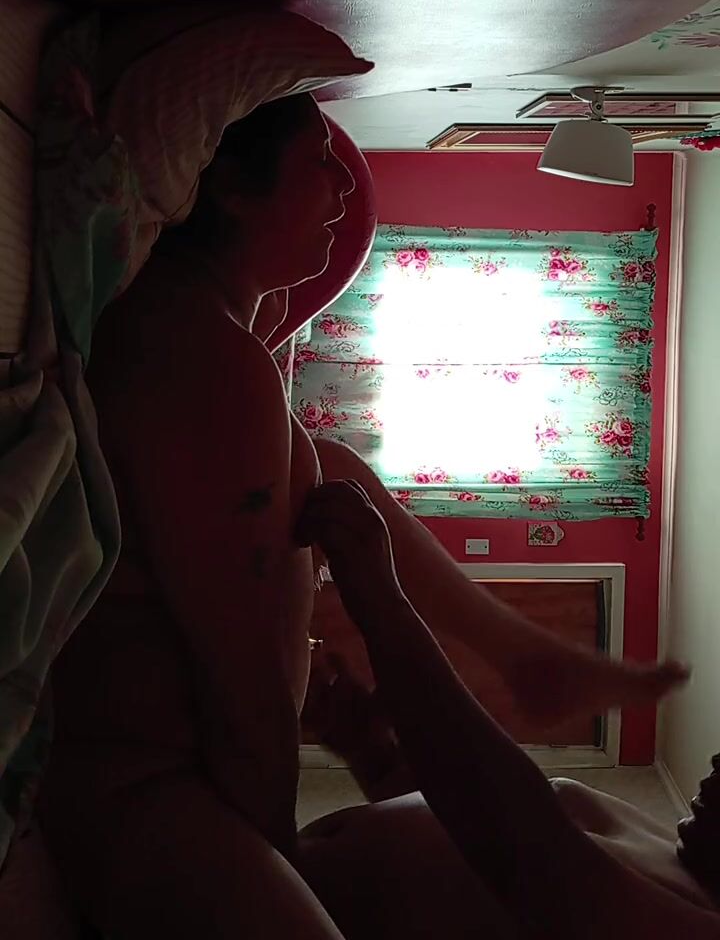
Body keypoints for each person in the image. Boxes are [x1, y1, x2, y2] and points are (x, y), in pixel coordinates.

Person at [40, 92, 685, 939]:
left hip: (183, 779)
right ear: (231, 190)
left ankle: (525, 657)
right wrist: (273, 842)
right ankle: (525, 657)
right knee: (328, 466)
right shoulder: (208, 349)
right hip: (153, 778)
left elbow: (525, 850)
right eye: (322, 163)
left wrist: (339, 781)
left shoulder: (214, 339)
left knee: (329, 465)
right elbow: (245, 684)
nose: (347, 185)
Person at [296, 480, 720, 940]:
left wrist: (382, 603)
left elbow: (518, 840)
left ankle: (527, 661)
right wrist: (370, 751)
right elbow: (465, 820)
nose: (717, 764)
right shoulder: (674, 854)